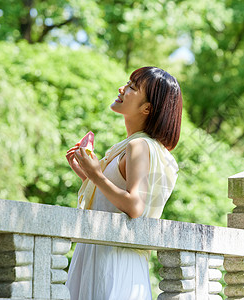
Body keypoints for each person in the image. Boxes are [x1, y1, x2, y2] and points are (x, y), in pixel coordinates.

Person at [64, 66, 182, 300]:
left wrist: (97, 176)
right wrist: (87, 176)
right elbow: (116, 201)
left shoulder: (139, 146)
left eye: (132, 87)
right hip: (104, 252)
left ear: (147, 108)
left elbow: (135, 206)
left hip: (112, 257)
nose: (122, 88)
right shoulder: (136, 145)